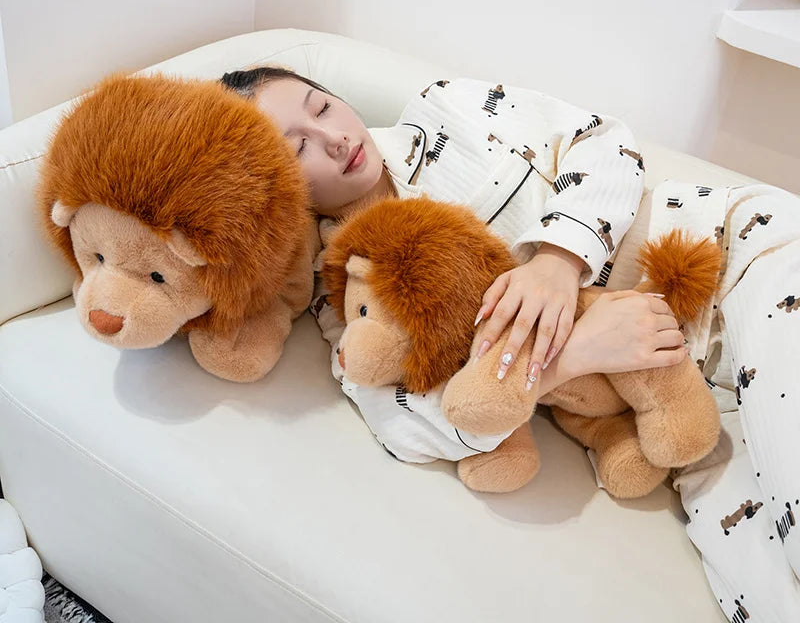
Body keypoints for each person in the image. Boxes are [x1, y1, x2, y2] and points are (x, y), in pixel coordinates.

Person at [221, 66, 800, 620]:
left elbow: (604, 141)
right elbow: (403, 426)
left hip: (734, 262)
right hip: (677, 403)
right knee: (768, 596)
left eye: (322, 107)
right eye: (298, 147)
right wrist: (567, 358)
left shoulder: (445, 109)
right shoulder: (339, 286)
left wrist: (558, 260)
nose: (334, 138)